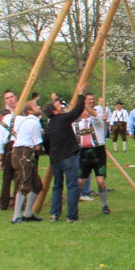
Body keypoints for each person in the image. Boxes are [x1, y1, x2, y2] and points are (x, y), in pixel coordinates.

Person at [43, 92, 90, 223]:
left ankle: (54, 214)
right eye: (57, 104)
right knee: (72, 186)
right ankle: (72, 216)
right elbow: (77, 111)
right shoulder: (62, 119)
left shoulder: (49, 127)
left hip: (55, 160)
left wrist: (50, 153)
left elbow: (45, 144)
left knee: (57, 186)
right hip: (68, 157)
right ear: (55, 111)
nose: (60, 104)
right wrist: (81, 95)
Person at [74, 94, 111, 215]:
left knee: (100, 181)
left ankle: (104, 205)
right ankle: (74, 204)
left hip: (98, 152)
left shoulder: (97, 118)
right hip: (84, 153)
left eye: (92, 100)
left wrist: (82, 102)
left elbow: (94, 114)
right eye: (88, 100)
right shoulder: (76, 124)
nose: (91, 102)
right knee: (80, 181)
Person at [9, 99, 45, 223]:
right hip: (23, 153)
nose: (38, 106)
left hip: (24, 153)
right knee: (24, 184)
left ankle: (28, 213)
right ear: (29, 111)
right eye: (35, 106)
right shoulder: (33, 123)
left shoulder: (30, 121)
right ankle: (16, 216)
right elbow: (37, 145)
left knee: (37, 185)